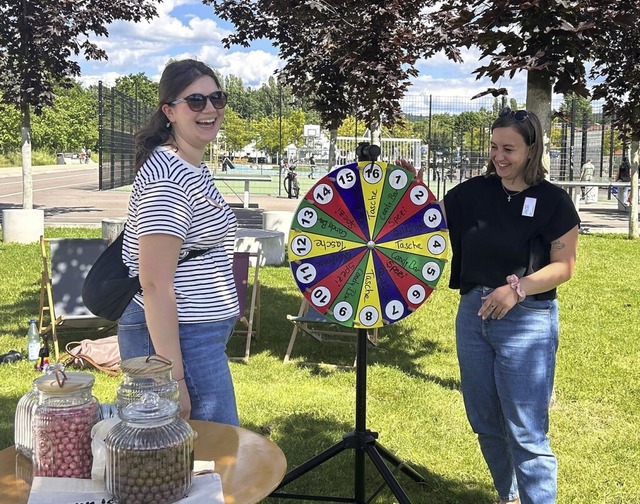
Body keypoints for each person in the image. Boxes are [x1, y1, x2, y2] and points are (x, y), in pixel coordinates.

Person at [400, 107, 580, 504]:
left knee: (527, 431)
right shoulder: (471, 193)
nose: (499, 156)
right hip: (473, 317)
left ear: (532, 150)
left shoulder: (554, 201)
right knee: (484, 422)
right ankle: (510, 494)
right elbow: (422, 221)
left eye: (510, 149)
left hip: (527, 321)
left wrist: (516, 289)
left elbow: (563, 266)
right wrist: (406, 190)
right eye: (495, 147)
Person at [117, 59, 240, 426]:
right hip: (179, 339)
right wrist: (174, 380)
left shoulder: (189, 166)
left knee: (202, 458)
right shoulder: (167, 177)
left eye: (217, 98)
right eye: (196, 101)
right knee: (207, 455)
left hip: (196, 335)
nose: (210, 109)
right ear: (169, 111)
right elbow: (154, 284)